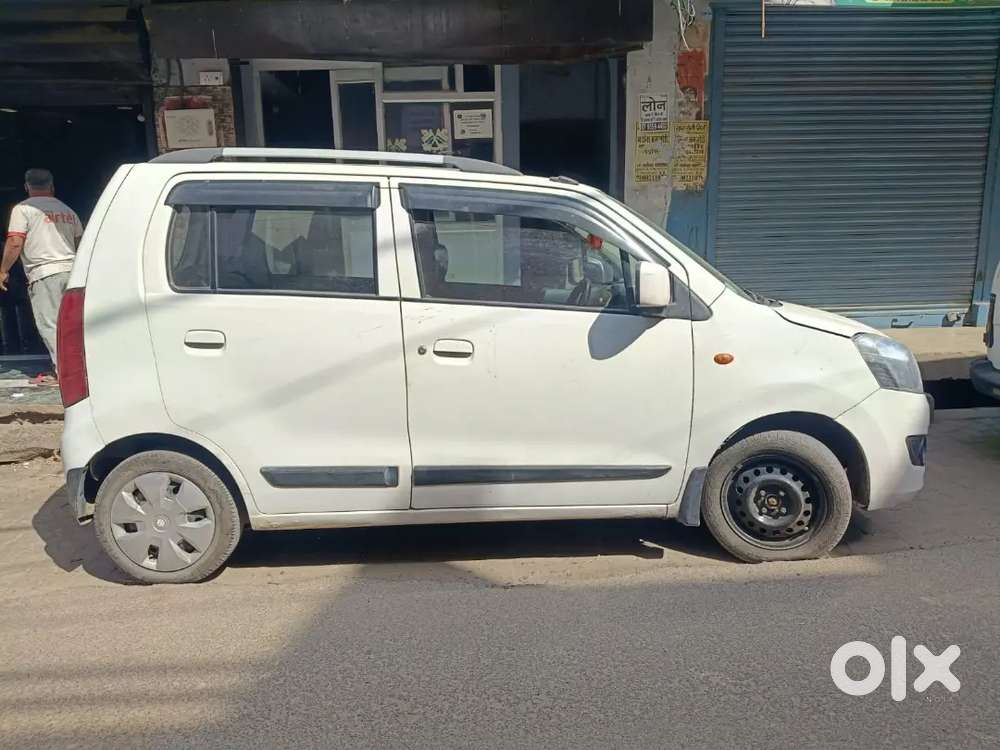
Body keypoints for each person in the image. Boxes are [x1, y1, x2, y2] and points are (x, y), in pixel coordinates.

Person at [1, 169, 83, 382]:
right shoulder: (68, 210)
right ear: (52, 186)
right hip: (73, 272)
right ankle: (80, 371)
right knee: (74, 325)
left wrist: (3, 270)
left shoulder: (24, 209)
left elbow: (15, 241)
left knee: (52, 325)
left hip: (45, 274)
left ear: (27, 187)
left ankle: (66, 376)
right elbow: (80, 244)